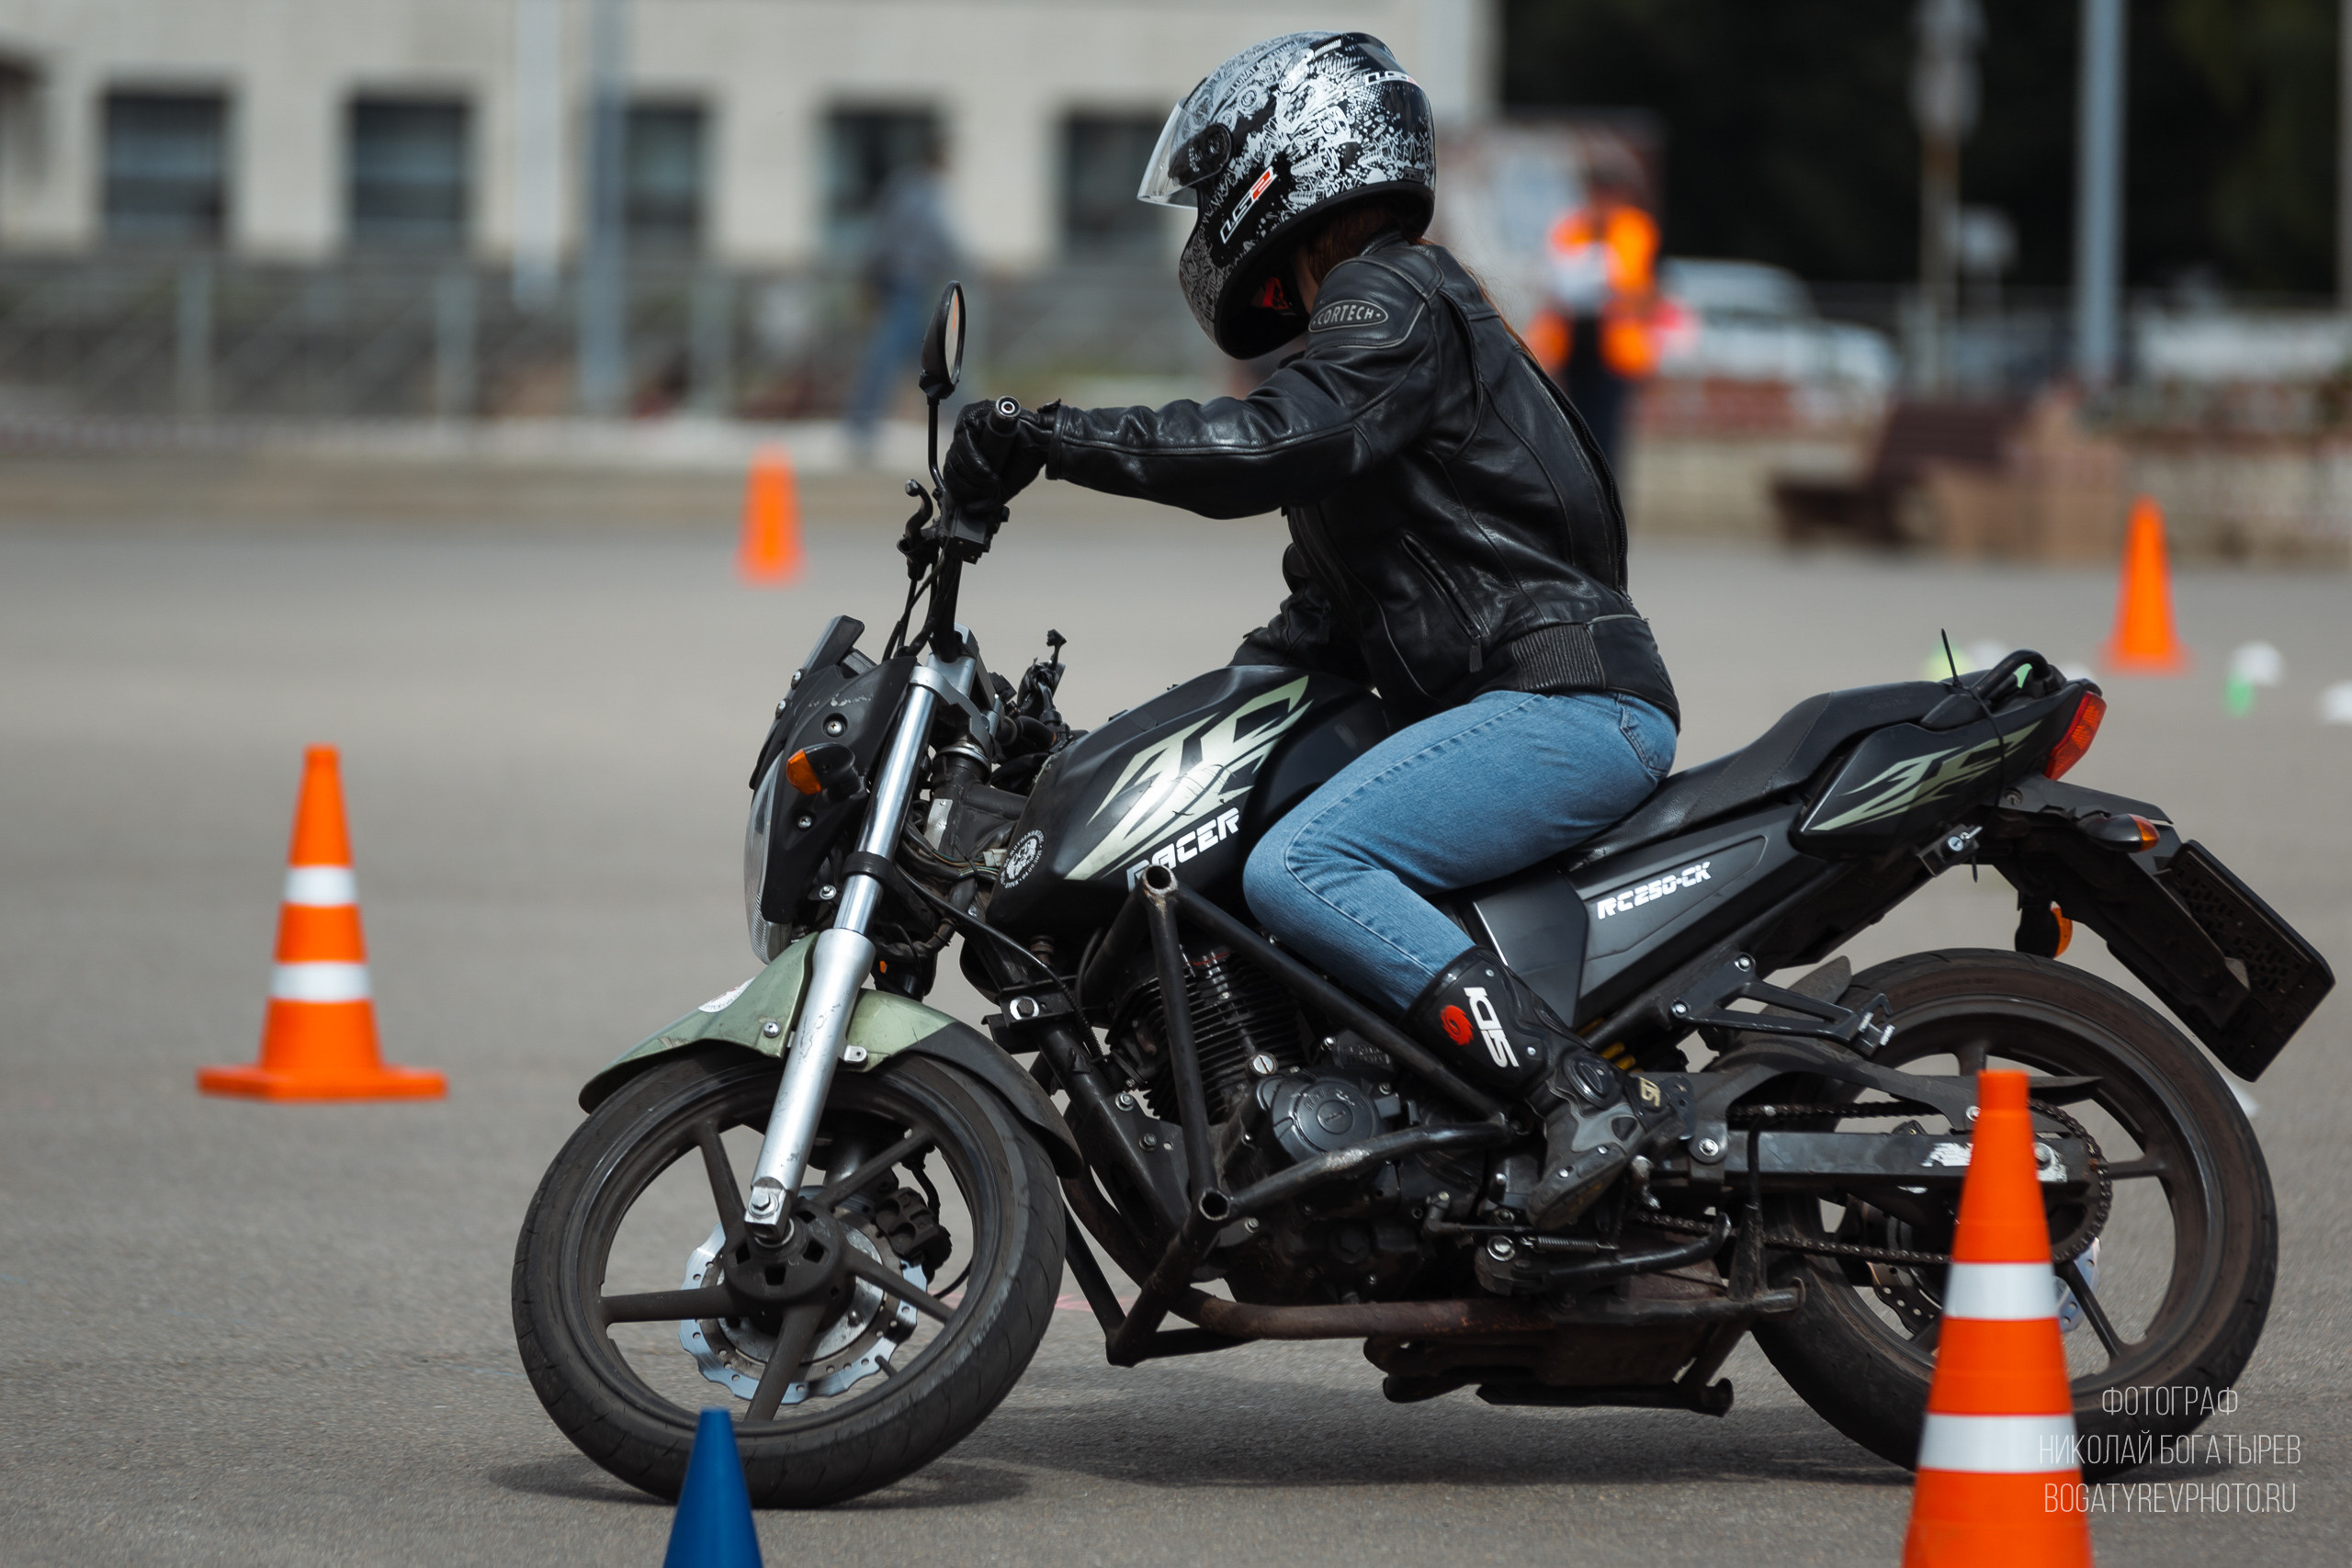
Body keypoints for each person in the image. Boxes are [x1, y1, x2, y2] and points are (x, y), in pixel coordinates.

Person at [943, 32, 1679, 1230]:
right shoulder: (1374, 347)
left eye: (1213, 181)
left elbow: (1263, 444)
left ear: (1286, 157)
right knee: (1260, 839)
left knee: (1308, 863)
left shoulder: (1388, 293)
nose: (1205, 222)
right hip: (1522, 700)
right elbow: (1293, 652)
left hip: (1562, 699)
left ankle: (1571, 1090)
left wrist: (1048, 434)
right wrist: (1095, 764)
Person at [1527, 147, 1661, 477]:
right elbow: (1552, 282)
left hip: (1615, 352)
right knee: (1575, 434)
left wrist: (1614, 290)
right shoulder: (1569, 229)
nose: (1601, 198)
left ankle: (1609, 510)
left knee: (1608, 439)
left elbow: (1646, 293)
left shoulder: (1635, 230)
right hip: (1572, 346)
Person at [845, 133, 961, 462]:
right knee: (903, 355)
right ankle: (862, 425)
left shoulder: (911, 188)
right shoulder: (917, 191)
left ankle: (964, 417)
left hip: (907, 282)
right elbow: (926, 237)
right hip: (905, 282)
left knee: (931, 356)